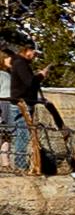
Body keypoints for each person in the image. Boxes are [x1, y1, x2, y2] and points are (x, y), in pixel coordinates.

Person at [3, 47, 43, 178]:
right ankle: (20, 165)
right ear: (27, 51)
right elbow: (29, 82)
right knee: (22, 133)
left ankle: (19, 163)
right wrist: (41, 75)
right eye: (34, 53)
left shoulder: (17, 63)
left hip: (20, 101)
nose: (35, 56)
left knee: (19, 132)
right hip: (22, 102)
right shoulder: (21, 63)